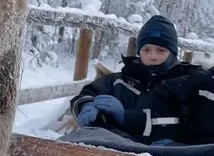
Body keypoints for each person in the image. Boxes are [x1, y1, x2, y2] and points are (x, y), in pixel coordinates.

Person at [69, 15, 197, 143]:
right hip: (114, 152)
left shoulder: (185, 85)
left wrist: (127, 118)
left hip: (168, 154)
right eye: (146, 50)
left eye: (161, 50)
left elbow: (187, 125)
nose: (153, 56)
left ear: (172, 53)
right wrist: (86, 105)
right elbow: (89, 93)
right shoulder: (120, 82)